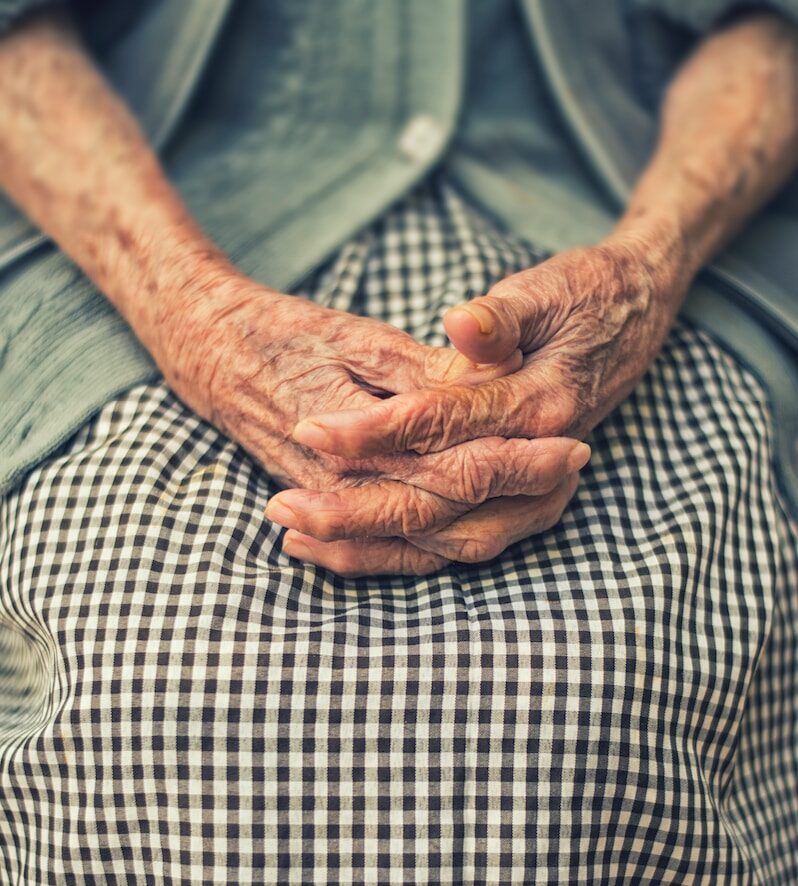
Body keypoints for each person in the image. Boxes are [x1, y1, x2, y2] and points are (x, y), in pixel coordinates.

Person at [0, 0, 796, 881]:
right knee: (153, 693)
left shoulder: (640, 274)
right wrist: (194, 313)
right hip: (138, 244)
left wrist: (649, 269)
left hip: (639, 235)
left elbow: (772, 33)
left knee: (606, 695)